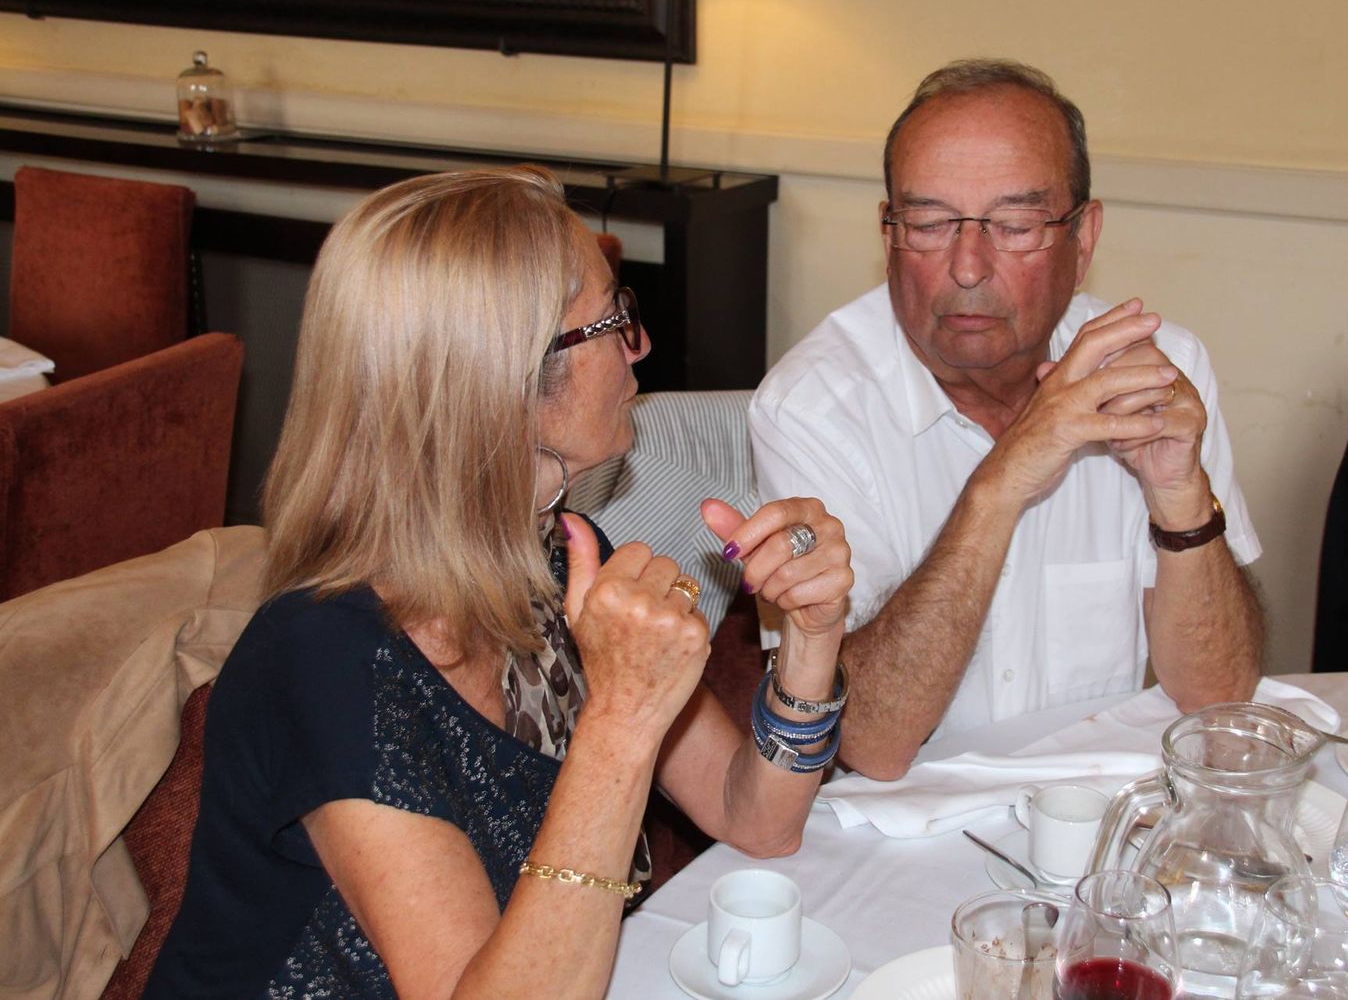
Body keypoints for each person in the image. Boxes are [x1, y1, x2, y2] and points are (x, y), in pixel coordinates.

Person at [146, 165, 854, 998]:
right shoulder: (325, 659)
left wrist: (811, 636)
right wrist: (621, 720)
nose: (640, 345)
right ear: (507, 378)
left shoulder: (559, 560)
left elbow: (756, 820)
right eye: (615, 319)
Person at [749, 59, 1263, 781]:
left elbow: (1217, 693)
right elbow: (869, 743)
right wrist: (1001, 483)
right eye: (929, 224)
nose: (967, 266)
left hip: (1097, 807)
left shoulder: (1158, 373)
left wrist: (1180, 500)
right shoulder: (809, 409)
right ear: (888, 234)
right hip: (903, 820)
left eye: (1015, 226)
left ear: (1083, 239)